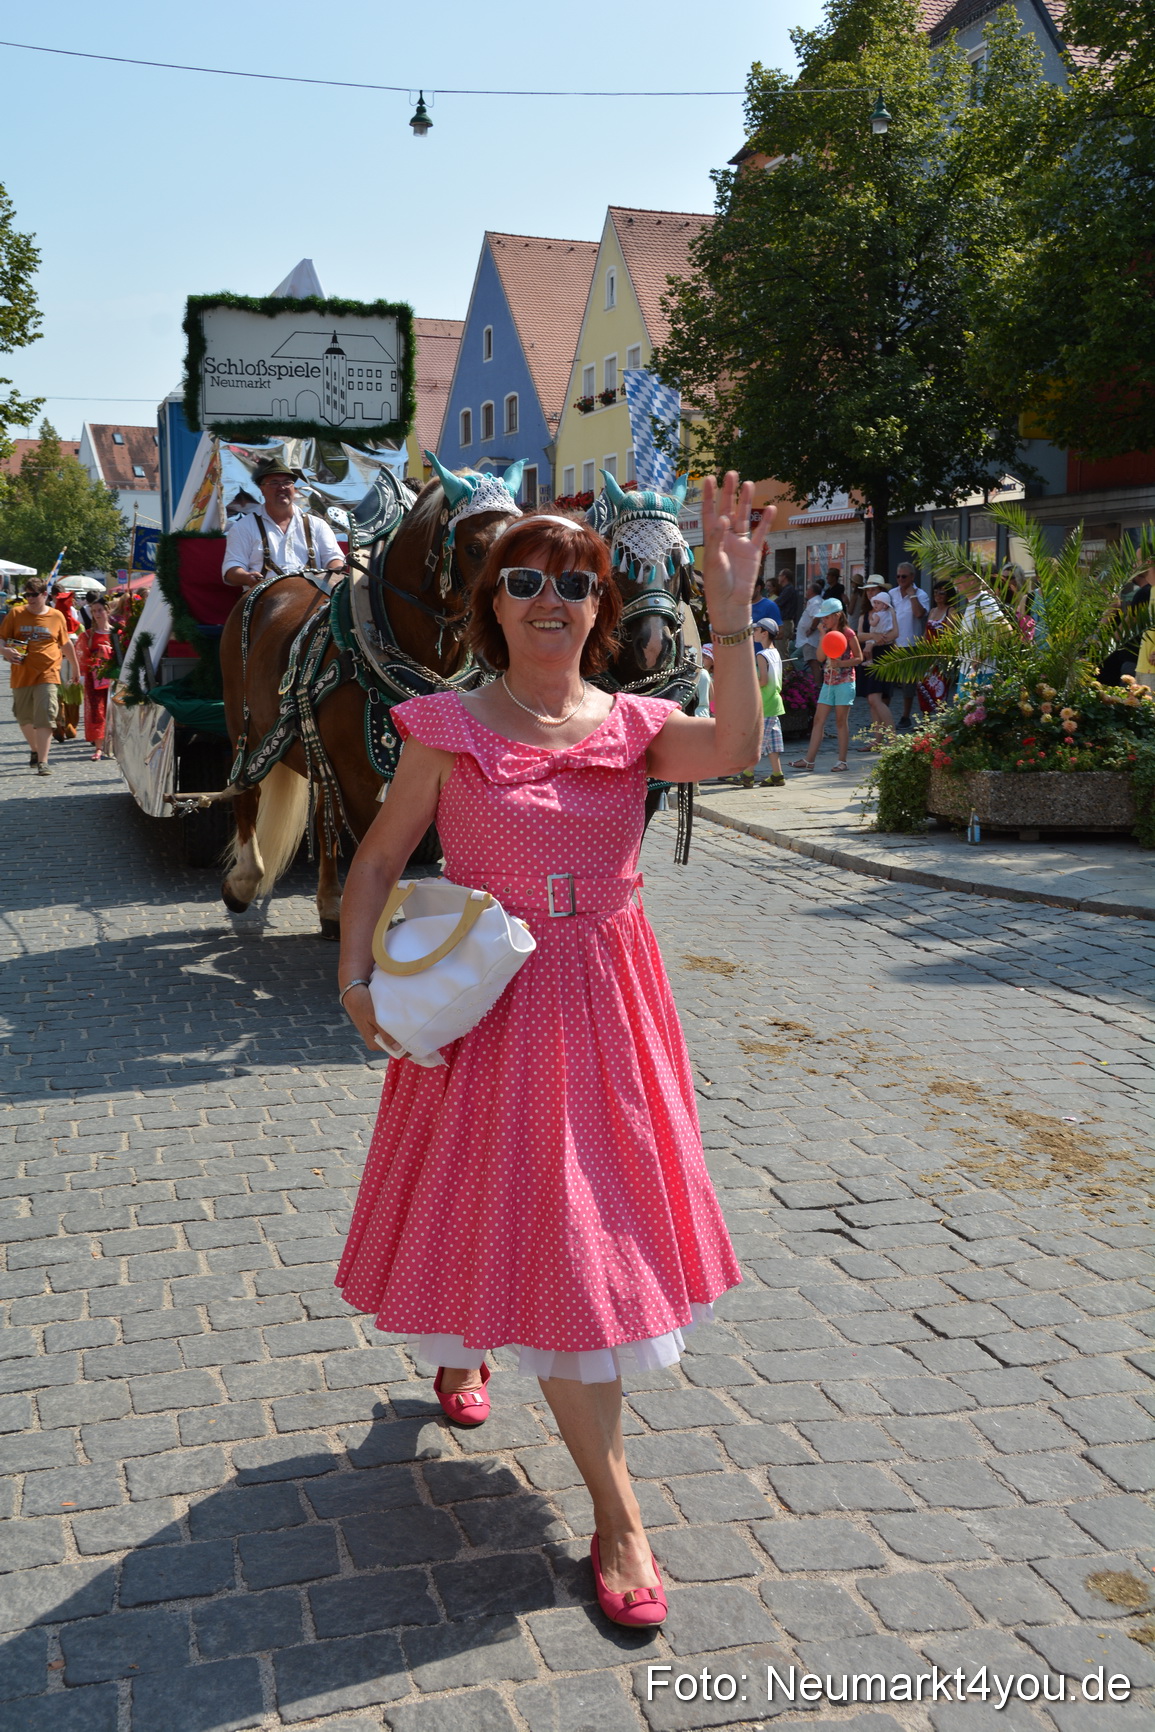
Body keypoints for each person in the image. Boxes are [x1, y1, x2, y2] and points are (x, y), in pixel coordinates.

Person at [333, 473, 771, 1628]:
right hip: (492, 1003)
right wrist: (353, 972)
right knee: (492, 1200)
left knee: (585, 1240)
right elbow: (378, 860)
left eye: (575, 582)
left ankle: (611, 1502)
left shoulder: (631, 729)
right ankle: (604, 1495)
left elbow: (734, 744)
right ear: (491, 605)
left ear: (598, 611)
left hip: (610, 1004)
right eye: (523, 578)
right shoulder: (447, 728)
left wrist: (729, 610)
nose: (549, 597)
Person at [222, 457, 346, 591]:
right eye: (274, 483)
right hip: (264, 601)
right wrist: (247, 577)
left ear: (294, 489)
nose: (282, 488)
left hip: (312, 602)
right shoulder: (243, 527)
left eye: (287, 482)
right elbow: (231, 570)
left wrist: (335, 570)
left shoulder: (317, 525)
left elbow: (334, 559)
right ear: (262, 489)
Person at [0, 576, 80, 775]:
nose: (30, 598)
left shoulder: (56, 616)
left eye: (34, 594)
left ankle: (43, 762)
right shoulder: (16, 614)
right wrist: (6, 652)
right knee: (23, 717)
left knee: (45, 715)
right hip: (22, 673)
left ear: (45, 594)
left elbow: (65, 643)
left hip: (49, 672)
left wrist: (76, 668)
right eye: (27, 594)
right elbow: (1, 639)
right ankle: (35, 750)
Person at [791, 596, 862, 772]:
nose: (823, 620)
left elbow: (860, 658)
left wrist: (842, 664)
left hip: (845, 682)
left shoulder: (848, 633)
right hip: (829, 682)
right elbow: (821, 658)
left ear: (837, 615)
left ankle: (842, 761)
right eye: (822, 617)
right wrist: (822, 635)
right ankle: (809, 760)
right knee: (818, 720)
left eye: (826, 617)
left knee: (840, 721)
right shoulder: (827, 633)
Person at [854, 576, 899, 752]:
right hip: (868, 656)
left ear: (881, 591)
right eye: (867, 590)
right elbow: (859, 635)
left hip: (883, 655)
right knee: (871, 700)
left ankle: (893, 737)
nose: (869, 593)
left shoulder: (890, 612)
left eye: (873, 590)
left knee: (876, 698)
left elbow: (895, 632)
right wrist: (874, 638)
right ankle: (878, 739)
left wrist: (879, 640)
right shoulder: (865, 615)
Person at [887, 562, 929, 729]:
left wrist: (912, 596)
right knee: (887, 681)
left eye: (904, 576)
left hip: (910, 643)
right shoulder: (891, 594)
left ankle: (905, 716)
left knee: (908, 684)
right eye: (898, 576)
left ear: (912, 577)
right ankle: (884, 716)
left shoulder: (921, 594)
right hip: (892, 642)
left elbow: (919, 613)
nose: (900, 579)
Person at [76, 594, 115, 760]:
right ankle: (99, 747)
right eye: (93, 611)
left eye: (100, 610)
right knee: (97, 712)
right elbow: (82, 655)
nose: (97, 614)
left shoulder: (117, 633)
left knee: (115, 711)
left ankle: (114, 745)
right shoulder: (88, 635)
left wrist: (109, 652)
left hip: (114, 677)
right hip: (96, 678)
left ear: (107, 610)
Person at [916, 581, 955, 715]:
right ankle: (926, 721)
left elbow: (950, 635)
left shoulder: (951, 611)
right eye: (936, 592)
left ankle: (940, 722)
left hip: (941, 657)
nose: (938, 595)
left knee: (939, 689)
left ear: (948, 594)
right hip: (927, 656)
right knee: (922, 687)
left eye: (942, 592)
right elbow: (926, 633)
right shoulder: (932, 611)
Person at [794, 577, 826, 667]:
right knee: (795, 654)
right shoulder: (813, 602)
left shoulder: (816, 602)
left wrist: (811, 629)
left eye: (807, 589)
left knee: (813, 663)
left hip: (810, 640)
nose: (806, 591)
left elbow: (817, 616)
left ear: (811, 591)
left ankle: (810, 679)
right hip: (804, 639)